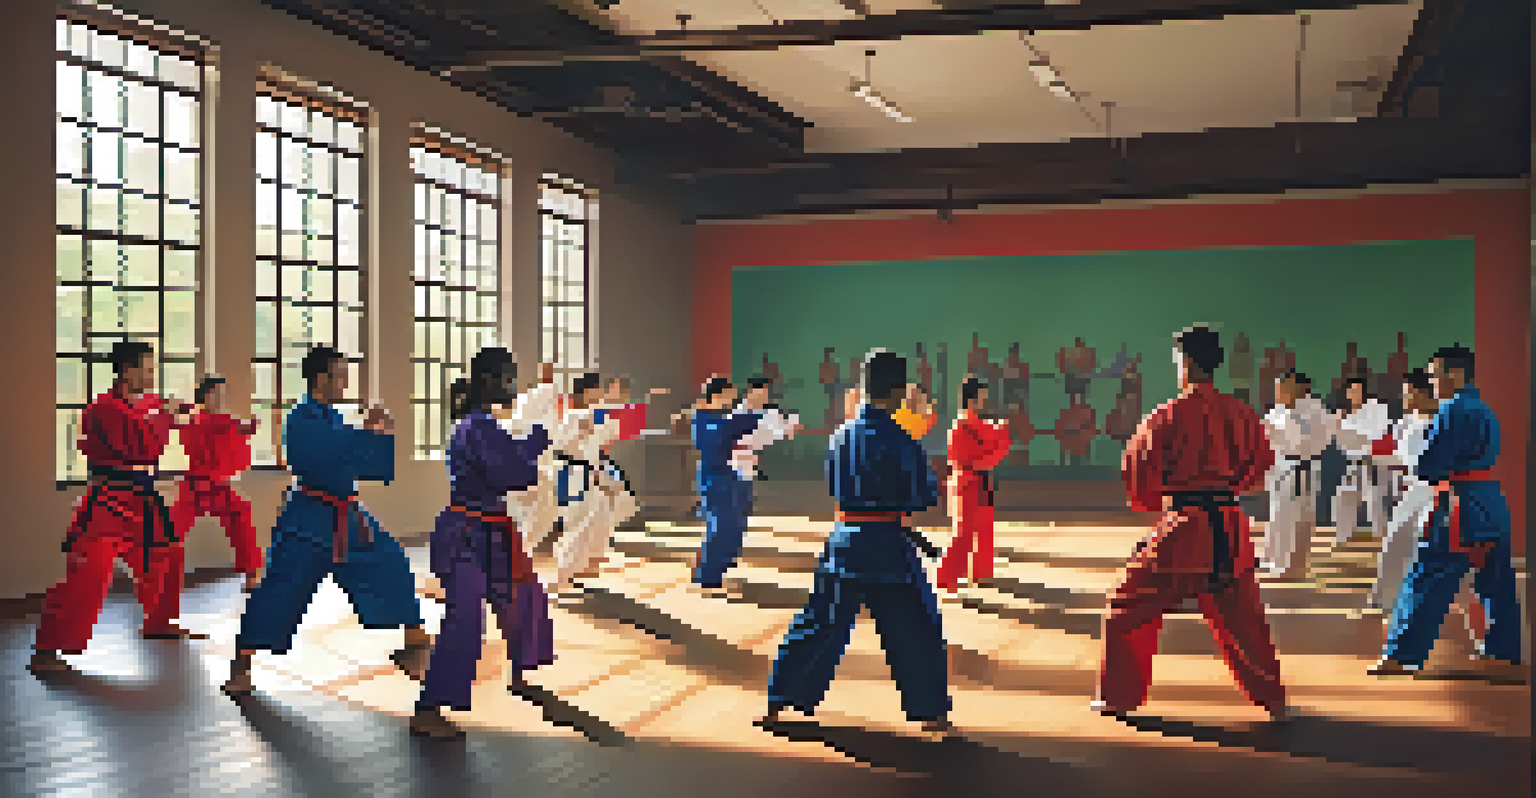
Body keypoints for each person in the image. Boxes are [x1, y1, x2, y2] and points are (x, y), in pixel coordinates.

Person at [1097, 325, 1285, 721]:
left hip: (1184, 531)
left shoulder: (1165, 415)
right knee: (1246, 621)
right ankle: (1273, 701)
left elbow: (1139, 471)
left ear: (1186, 364)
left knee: (1125, 608)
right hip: (1229, 531)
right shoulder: (1242, 413)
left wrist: (1156, 499)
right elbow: (1260, 466)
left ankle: (1118, 695)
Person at [760, 349, 952, 736]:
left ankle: (779, 701)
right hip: (889, 547)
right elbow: (923, 496)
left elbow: (833, 485)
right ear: (899, 393)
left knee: (818, 623)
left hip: (845, 541)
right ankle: (930, 712)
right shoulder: (903, 440)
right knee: (917, 628)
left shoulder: (840, 436)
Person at [223, 346, 428, 695]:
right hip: (308, 519)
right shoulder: (302, 418)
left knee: (390, 561)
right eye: (341, 376)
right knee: (278, 591)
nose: (346, 383)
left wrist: (370, 433)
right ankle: (241, 666)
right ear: (322, 379)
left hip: (346, 516)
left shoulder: (329, 417)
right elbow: (334, 454)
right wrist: (373, 434)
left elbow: (346, 452)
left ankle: (413, 638)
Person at [410, 349, 555, 739]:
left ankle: (521, 672)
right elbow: (513, 472)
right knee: (465, 618)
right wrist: (538, 438)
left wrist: (532, 441)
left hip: (491, 530)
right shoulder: (477, 426)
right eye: (509, 378)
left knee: (522, 598)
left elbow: (509, 462)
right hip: (467, 534)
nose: (512, 386)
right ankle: (427, 709)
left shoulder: (482, 425)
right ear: (493, 380)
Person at [30, 341, 197, 675]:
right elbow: (144, 446)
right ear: (128, 370)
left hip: (142, 499)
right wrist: (167, 414)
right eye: (148, 369)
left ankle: (159, 623)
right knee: (87, 574)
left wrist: (181, 408)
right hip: (108, 501)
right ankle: (46, 650)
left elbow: (171, 413)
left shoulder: (144, 403)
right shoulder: (103, 408)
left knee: (167, 556)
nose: (152, 376)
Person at [1372, 345, 1526, 684]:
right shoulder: (1485, 410)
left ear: (1452, 376)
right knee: (1497, 582)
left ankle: (1402, 655)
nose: (1431, 382)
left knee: (1425, 576)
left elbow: (1428, 465)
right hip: (1491, 502)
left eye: (1433, 375)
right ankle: (1505, 651)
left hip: (1458, 505)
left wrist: (1417, 459)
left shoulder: (1451, 410)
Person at [170, 376, 263, 593]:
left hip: (218, 486)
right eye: (216, 394)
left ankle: (251, 574)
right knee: (170, 530)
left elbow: (239, 428)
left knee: (242, 516)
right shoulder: (196, 419)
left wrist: (248, 426)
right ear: (205, 395)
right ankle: (160, 577)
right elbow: (235, 427)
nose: (220, 398)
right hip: (194, 486)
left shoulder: (214, 419)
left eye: (222, 394)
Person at [937, 376, 1011, 595]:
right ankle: (946, 577)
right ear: (972, 400)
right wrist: (1000, 437)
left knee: (984, 527)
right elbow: (992, 447)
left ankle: (981, 573)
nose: (984, 402)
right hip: (968, 483)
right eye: (982, 398)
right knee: (965, 533)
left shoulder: (973, 424)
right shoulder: (964, 426)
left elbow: (994, 445)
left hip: (978, 480)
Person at [690, 376, 763, 595]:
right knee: (719, 526)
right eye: (729, 395)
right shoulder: (703, 418)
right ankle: (706, 575)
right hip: (714, 479)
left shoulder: (723, 418)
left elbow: (736, 433)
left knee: (733, 525)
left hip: (732, 477)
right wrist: (748, 414)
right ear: (717, 395)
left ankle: (718, 568)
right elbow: (720, 437)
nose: (732, 400)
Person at [1261, 371, 1334, 581]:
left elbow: (1306, 442)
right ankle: (1272, 560)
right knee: (1278, 515)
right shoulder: (1278, 410)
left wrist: (1282, 427)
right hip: (1280, 466)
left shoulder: (1315, 410)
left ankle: (1292, 566)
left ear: (1300, 388)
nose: (1278, 392)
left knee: (1297, 520)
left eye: (1283, 387)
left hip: (1302, 467)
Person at [1331, 377, 1392, 545]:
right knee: (1344, 496)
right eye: (1351, 391)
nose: (1354, 395)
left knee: (1375, 501)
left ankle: (1381, 539)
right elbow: (1342, 444)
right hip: (1355, 462)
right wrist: (1341, 425)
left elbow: (1377, 435)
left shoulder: (1377, 408)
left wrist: (1349, 431)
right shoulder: (1345, 415)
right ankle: (1343, 538)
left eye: (1358, 391)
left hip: (1376, 462)